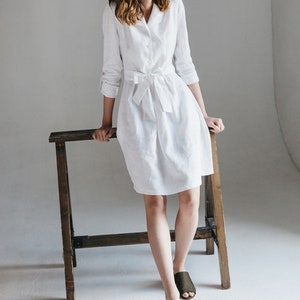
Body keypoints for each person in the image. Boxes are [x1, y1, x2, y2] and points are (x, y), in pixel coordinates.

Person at [93, 0, 225, 299]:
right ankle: (169, 289)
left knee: (190, 196)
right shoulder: (114, 11)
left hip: (178, 107)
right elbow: (112, 69)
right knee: (155, 201)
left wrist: (202, 115)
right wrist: (104, 122)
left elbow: (185, 62)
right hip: (136, 111)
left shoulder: (173, 5)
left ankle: (179, 265)